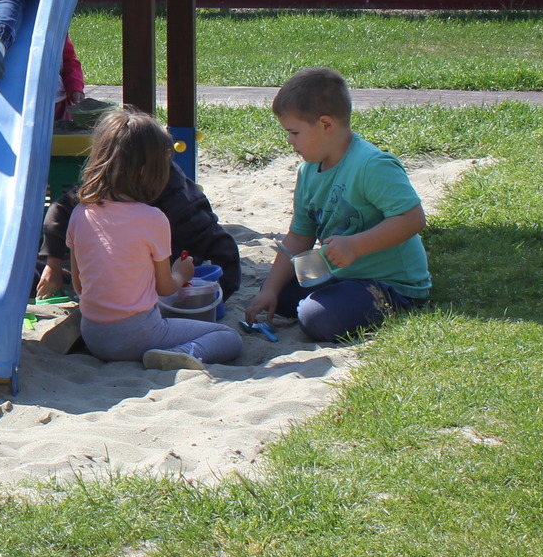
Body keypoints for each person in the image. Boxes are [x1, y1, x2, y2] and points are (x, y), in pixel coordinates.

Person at [245, 68, 429, 343]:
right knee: (278, 293)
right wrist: (269, 289)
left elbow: (412, 219)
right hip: (339, 276)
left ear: (326, 125)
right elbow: (299, 237)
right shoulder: (308, 171)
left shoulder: (372, 165)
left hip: (389, 284)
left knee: (315, 318)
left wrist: (356, 245)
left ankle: (383, 305)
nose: (289, 141)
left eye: (294, 132)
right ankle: (328, 298)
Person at [66, 107, 243, 371]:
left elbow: (80, 286)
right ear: (147, 171)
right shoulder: (153, 218)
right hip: (138, 335)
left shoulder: (80, 213)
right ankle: (178, 353)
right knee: (228, 337)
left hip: (93, 335)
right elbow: (166, 288)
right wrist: (181, 273)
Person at [38, 151, 242, 300]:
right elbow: (60, 210)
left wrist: (218, 297)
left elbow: (223, 247)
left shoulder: (179, 209)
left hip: (172, 264)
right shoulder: (108, 189)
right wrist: (53, 265)